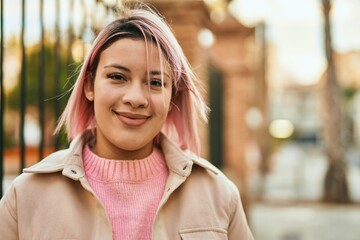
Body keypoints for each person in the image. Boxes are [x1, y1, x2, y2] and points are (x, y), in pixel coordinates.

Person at [0, 3, 254, 240]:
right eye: (118, 77)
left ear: (172, 96)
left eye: (155, 82)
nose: (135, 98)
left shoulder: (218, 193)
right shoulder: (26, 196)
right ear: (89, 85)